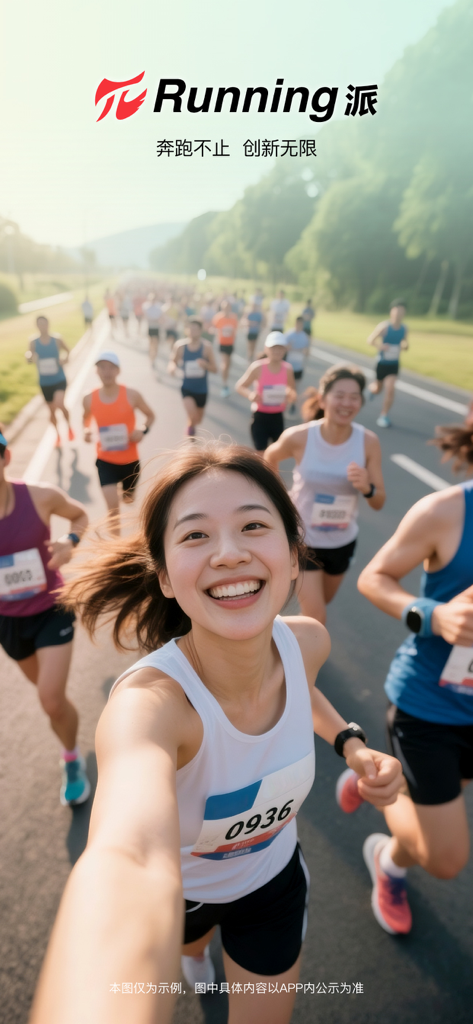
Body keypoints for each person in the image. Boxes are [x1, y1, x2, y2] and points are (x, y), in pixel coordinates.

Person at [30, 442, 402, 1024]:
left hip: (272, 883)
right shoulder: (149, 707)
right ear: (166, 579)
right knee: (188, 942)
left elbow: (302, 689)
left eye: (254, 525)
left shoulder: (307, 642)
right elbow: (129, 859)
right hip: (181, 896)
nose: (229, 553)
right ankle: (196, 954)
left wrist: (352, 744)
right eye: (195, 535)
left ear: (291, 548)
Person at [336, 414, 473, 936]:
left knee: (433, 810)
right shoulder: (447, 511)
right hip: (429, 708)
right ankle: (378, 787)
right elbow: (375, 578)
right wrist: (434, 616)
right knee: (445, 858)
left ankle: (389, 861)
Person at [0, 429, 90, 805]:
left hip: (52, 608)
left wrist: (69, 543)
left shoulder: (38, 497)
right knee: (51, 696)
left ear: (5, 459)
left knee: (50, 700)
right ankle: (68, 727)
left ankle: (71, 757)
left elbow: (80, 516)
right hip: (9, 620)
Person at [264, 365, 385, 625]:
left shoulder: (368, 442)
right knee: (317, 617)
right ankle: (291, 660)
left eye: (354, 397)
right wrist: (279, 498)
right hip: (305, 537)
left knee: (319, 606)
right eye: (339, 395)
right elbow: (270, 457)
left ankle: (283, 637)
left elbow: (379, 502)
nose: (346, 403)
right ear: (323, 399)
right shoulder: (300, 436)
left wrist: (367, 488)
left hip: (342, 540)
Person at [83, 351, 155, 534]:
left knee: (128, 499)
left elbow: (150, 415)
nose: (106, 371)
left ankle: (127, 493)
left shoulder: (132, 395)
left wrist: (142, 430)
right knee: (113, 510)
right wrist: (86, 431)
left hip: (130, 461)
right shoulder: (89, 398)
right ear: (96, 371)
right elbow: (86, 420)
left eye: (110, 367)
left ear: (118, 371)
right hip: (105, 460)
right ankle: (116, 550)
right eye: (102, 367)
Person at [235, 333, 297, 453]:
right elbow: (240, 386)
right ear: (266, 349)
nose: (277, 351)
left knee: (275, 455)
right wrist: (250, 395)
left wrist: (290, 394)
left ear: (285, 350)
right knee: (261, 455)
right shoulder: (258, 367)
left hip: (278, 418)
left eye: (280, 348)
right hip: (260, 417)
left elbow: (292, 392)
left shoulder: (288, 369)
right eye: (273, 348)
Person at [25, 315, 74, 447]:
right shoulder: (33, 341)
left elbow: (68, 352)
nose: (42, 326)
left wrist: (64, 359)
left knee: (59, 403)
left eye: (44, 323)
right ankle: (57, 434)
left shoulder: (56, 339)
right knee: (51, 411)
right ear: (37, 326)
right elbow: (29, 356)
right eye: (39, 324)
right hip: (45, 382)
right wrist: (29, 357)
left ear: (48, 324)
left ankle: (69, 427)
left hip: (59, 379)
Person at [168, 317, 217, 438]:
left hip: (202, 389)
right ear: (186, 330)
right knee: (193, 415)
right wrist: (172, 368)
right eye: (190, 328)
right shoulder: (180, 346)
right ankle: (190, 432)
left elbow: (215, 369)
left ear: (201, 331)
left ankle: (191, 425)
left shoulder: (207, 347)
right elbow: (172, 361)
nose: (193, 331)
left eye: (196, 329)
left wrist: (205, 365)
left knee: (198, 419)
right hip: (187, 387)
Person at [367, 299, 409, 428]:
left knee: (390, 389)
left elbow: (405, 342)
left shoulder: (404, 328)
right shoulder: (384, 327)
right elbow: (370, 341)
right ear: (392, 312)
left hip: (394, 364)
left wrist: (405, 345)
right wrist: (381, 346)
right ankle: (372, 390)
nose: (398, 314)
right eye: (396, 311)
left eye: (401, 312)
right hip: (382, 363)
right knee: (378, 389)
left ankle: (384, 415)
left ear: (404, 313)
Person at [212, 299, 238, 398]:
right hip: (222, 343)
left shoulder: (233, 318)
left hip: (230, 343)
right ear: (222, 308)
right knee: (225, 363)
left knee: (228, 364)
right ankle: (224, 384)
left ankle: (225, 379)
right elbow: (214, 328)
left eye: (228, 307)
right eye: (225, 307)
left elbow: (235, 330)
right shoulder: (218, 318)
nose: (226, 309)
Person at [285, 316, 310, 412]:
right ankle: (286, 403)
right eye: (298, 323)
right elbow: (283, 349)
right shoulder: (289, 335)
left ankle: (293, 404)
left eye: (301, 324)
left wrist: (305, 352)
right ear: (295, 323)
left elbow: (307, 352)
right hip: (289, 366)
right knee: (288, 386)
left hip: (299, 366)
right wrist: (288, 347)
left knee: (296, 386)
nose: (299, 325)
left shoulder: (305, 336)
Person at [143, 293, 163, 370]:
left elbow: (160, 316)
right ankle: (151, 358)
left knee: (156, 344)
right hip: (150, 327)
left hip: (156, 327)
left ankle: (154, 357)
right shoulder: (147, 306)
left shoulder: (158, 307)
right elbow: (147, 316)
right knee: (151, 343)